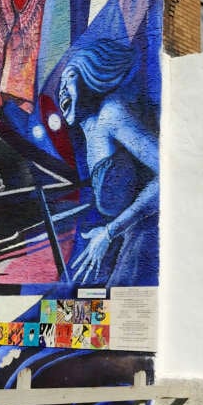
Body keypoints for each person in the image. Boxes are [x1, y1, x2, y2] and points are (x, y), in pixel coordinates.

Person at [56, 40, 158, 287]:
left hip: (147, 238)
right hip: (127, 237)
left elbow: (169, 176)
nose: (61, 91)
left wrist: (109, 233)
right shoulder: (89, 128)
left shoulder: (113, 114)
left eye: (68, 78)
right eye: (59, 84)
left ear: (92, 74)